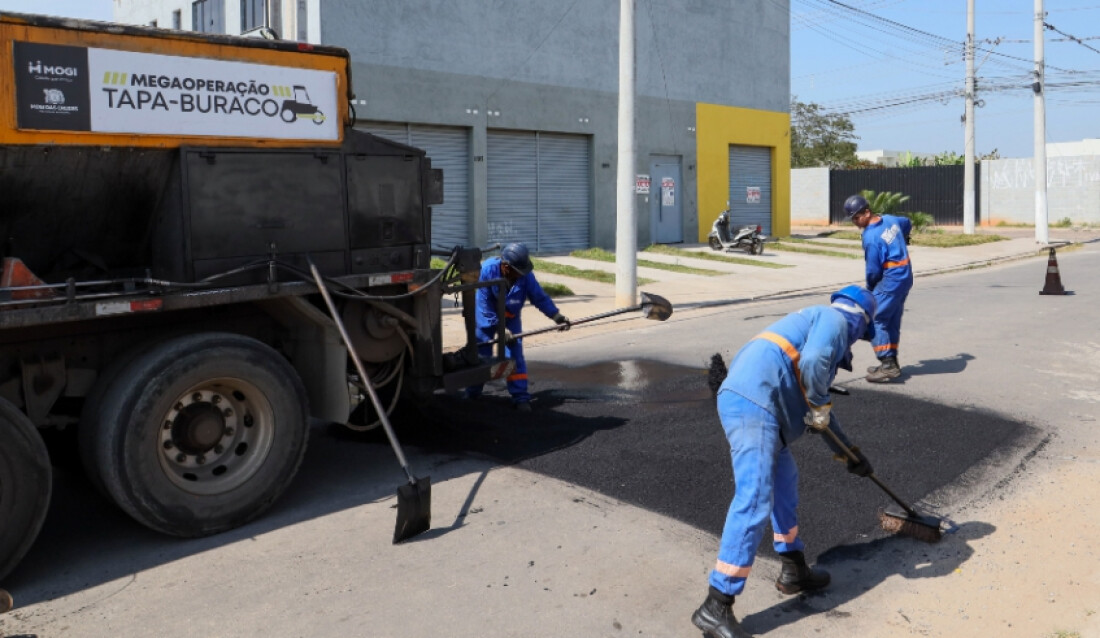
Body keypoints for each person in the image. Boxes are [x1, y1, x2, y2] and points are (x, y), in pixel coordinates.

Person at [692, 286, 878, 638]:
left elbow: (821, 416)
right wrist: (820, 401)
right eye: (859, 338)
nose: (851, 346)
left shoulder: (811, 324)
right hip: (754, 403)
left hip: (758, 406)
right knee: (754, 498)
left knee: (784, 486)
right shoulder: (836, 319)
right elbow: (814, 372)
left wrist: (850, 454)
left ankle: (794, 568)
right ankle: (716, 603)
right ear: (860, 322)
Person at [466, 242, 570, 411]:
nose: (520, 275)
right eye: (516, 272)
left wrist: (555, 315)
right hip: (488, 318)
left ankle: (520, 396)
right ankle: (473, 392)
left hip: (511, 318)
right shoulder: (488, 270)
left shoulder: (525, 275)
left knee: (515, 356)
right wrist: (500, 328)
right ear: (505, 266)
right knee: (481, 354)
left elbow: (539, 297)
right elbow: (484, 304)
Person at [843, 194, 914, 383]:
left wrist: (870, 290)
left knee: (873, 318)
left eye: (857, 218)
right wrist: (904, 237)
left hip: (890, 279)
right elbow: (906, 222)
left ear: (867, 211)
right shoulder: (890, 220)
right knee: (891, 318)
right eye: (853, 219)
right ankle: (891, 362)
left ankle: (888, 364)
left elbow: (873, 270)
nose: (856, 222)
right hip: (905, 275)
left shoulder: (871, 237)